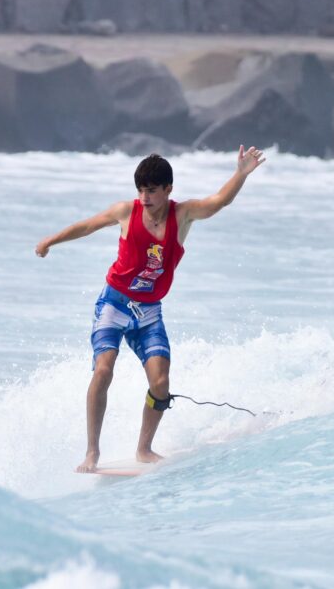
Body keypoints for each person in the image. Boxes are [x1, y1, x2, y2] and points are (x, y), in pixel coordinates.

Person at [35, 145, 266, 473]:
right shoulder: (126, 212)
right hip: (114, 304)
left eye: (152, 191)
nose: (144, 197)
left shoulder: (182, 215)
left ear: (168, 189)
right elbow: (88, 225)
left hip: (148, 312)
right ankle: (92, 452)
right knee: (103, 370)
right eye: (141, 190)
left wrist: (240, 174)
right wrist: (50, 241)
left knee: (160, 382)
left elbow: (219, 201)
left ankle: (144, 449)